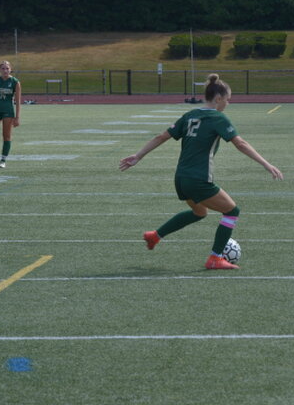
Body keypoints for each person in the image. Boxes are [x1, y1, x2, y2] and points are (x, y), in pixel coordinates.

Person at [119, 73, 284, 270]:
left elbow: (161, 136)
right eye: (228, 99)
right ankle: (215, 258)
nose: (228, 103)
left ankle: (155, 235)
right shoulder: (217, 118)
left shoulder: (189, 115)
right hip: (198, 179)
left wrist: (138, 156)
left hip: (181, 178)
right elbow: (240, 143)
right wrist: (266, 164)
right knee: (232, 211)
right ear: (219, 98)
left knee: (199, 212)